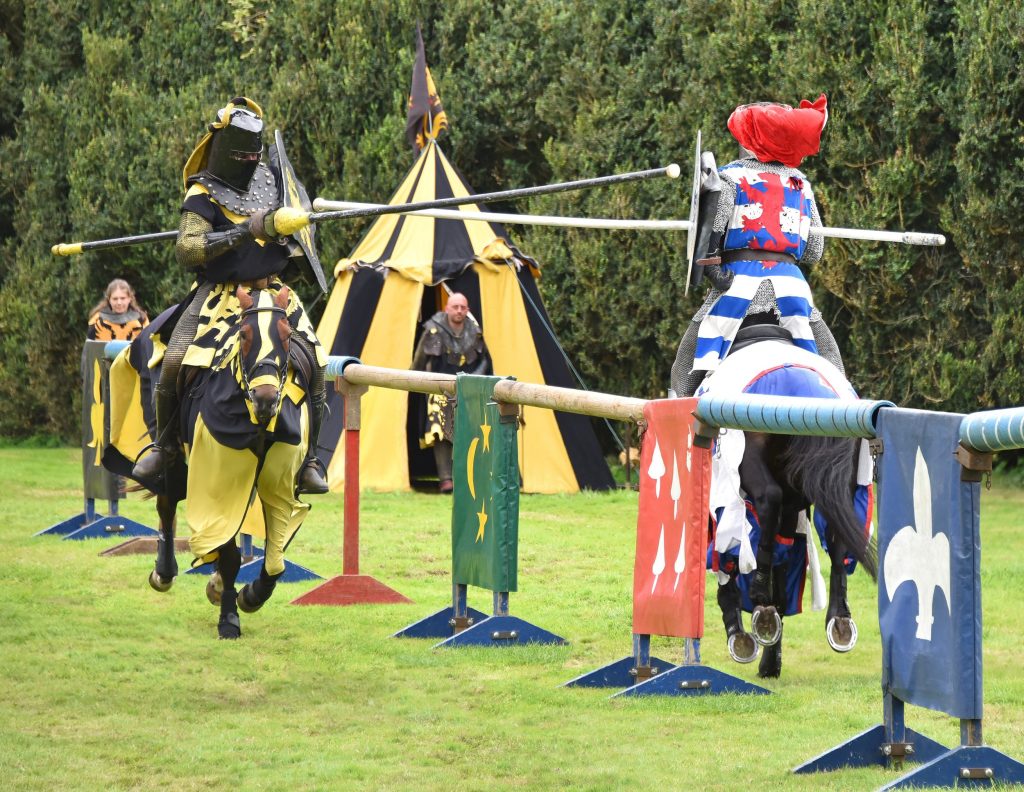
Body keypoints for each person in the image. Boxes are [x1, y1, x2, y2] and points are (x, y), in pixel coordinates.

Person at [132, 97, 329, 495]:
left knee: (317, 361)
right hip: (218, 295)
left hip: (273, 294)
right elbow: (187, 249)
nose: (248, 159)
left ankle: (309, 460)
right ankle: (166, 447)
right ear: (222, 147)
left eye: (252, 152)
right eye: (240, 151)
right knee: (173, 359)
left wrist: (286, 230)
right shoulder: (202, 192)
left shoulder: (275, 180)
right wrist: (243, 231)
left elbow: (302, 244)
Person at [671, 94, 845, 398]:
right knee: (831, 364)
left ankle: (682, 421)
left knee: (686, 362)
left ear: (752, 142)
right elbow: (814, 250)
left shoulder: (729, 178)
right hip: (792, 291)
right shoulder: (801, 184)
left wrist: (713, 268)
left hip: (738, 287)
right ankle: (850, 420)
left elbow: (712, 233)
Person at [411, 292, 491, 492]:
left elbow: (484, 362)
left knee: (469, 431)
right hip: (438, 389)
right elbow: (420, 361)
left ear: (467, 310)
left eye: (463, 307)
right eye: (455, 306)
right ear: (447, 308)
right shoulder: (433, 330)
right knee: (440, 430)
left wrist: (473, 382)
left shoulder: (475, 332)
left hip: (468, 389)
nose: (459, 311)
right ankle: (446, 478)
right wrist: (413, 381)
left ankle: (465, 476)